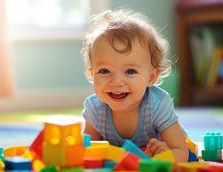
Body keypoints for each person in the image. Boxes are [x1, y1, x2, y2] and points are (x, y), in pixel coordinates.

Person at [81, 9, 192, 163]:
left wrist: (162, 158)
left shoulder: (157, 105)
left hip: (154, 160)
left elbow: (181, 152)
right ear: (92, 74)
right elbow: (87, 151)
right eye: (104, 71)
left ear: (151, 77)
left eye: (130, 71)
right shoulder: (94, 109)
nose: (116, 82)